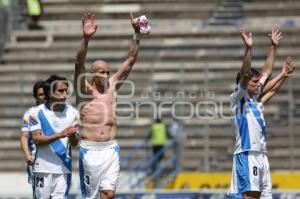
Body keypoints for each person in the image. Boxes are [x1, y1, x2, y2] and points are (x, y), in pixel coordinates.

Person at [74, 12, 149, 199]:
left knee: (108, 195)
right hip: (90, 149)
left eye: (108, 72)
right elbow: (78, 63)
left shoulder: (112, 85)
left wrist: (136, 35)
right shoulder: (83, 89)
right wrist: (85, 39)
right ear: (92, 74)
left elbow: (130, 61)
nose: (106, 76)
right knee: (91, 197)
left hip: (111, 148)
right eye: (102, 72)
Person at [227, 28, 282, 199]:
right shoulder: (238, 98)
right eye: (255, 81)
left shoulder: (255, 101)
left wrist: (273, 47)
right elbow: (245, 74)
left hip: (261, 155)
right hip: (248, 154)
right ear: (244, 84)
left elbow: (266, 72)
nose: (259, 84)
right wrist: (248, 49)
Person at [29, 75, 79, 198]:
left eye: (66, 91)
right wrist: (60, 134)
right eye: (60, 91)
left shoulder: (73, 113)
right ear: (50, 93)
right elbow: (37, 139)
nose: (65, 94)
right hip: (42, 169)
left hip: (63, 170)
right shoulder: (35, 112)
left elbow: (74, 143)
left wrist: (72, 136)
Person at [20, 80, 46, 195]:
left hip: (56, 160)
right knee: (38, 194)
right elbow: (24, 137)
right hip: (37, 160)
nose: (44, 97)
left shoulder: (57, 113)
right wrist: (27, 154)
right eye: (41, 94)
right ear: (36, 96)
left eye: (46, 93)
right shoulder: (30, 113)